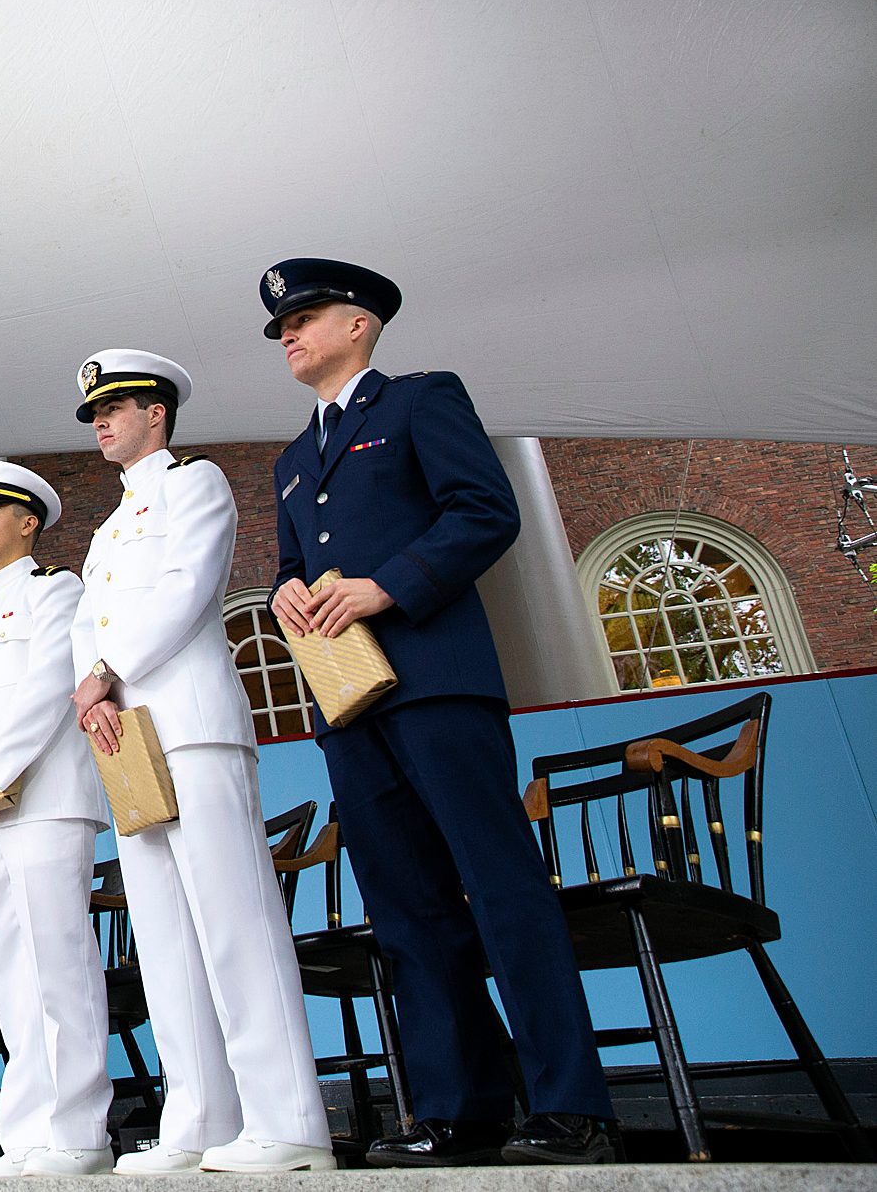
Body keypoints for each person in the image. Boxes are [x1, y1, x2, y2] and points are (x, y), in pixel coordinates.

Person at [259, 259, 617, 1166]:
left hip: (437, 681)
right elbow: (293, 563)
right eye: (282, 328)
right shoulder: (294, 460)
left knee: (500, 884)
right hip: (347, 701)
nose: (289, 335)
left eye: (306, 318)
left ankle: (572, 1108)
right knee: (406, 906)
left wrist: (392, 587)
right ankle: (459, 1110)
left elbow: (486, 511)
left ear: (361, 325)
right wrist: (282, 597)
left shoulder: (421, 401)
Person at [67, 351, 333, 1174]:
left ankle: (289, 1122)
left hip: (189, 722)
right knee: (165, 934)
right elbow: (87, 621)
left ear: (158, 412)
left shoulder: (196, 483)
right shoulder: (109, 528)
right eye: (95, 412)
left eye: (117, 407)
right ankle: (200, 1116)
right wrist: (89, 688)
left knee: (234, 918)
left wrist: (107, 673)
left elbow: (187, 589)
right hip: (125, 737)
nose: (103, 422)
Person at [0, 460, 115, 1177]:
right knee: (10, 972)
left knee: (58, 965)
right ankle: (29, 1135)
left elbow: (49, 687)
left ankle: (80, 1133)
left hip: (41, 802)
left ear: (30, 522)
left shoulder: (56, 589)